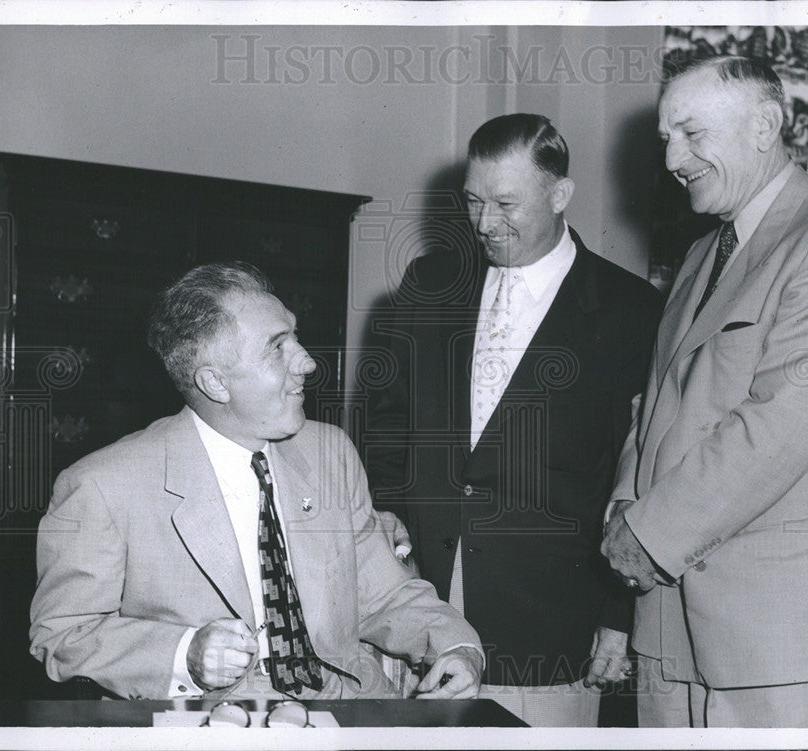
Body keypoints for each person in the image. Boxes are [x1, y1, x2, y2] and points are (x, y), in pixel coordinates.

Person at [29, 262, 483, 702]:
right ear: (215, 383)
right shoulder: (103, 486)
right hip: (211, 725)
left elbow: (384, 593)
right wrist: (184, 654)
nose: (306, 362)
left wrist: (455, 647)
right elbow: (62, 634)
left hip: (346, 708)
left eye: (296, 337)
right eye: (277, 347)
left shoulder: (329, 452)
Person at [601, 56, 808, 727]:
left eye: (692, 134)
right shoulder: (703, 254)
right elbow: (654, 406)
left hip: (773, 638)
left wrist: (648, 533)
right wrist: (624, 507)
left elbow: (782, 424)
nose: (673, 158)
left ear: (766, 126)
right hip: (666, 626)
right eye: (665, 140)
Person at [362, 113, 663, 726]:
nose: (485, 223)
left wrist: (617, 617)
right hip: (423, 606)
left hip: (553, 628)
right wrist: (385, 517)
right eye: (473, 201)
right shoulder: (429, 283)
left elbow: (636, 473)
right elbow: (387, 423)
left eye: (505, 203)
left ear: (560, 195)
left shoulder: (631, 311)